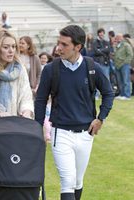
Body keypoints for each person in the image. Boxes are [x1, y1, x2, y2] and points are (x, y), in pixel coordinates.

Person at [35, 25, 114, 200]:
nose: (58, 48)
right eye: (58, 43)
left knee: (78, 181)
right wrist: (37, 126)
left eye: (64, 44)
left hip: (86, 133)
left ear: (78, 47)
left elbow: (108, 93)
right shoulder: (50, 69)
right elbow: (40, 100)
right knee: (68, 181)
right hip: (60, 133)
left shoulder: (92, 67)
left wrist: (100, 119)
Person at [114, 33, 133, 100]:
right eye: (117, 37)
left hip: (124, 65)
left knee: (126, 80)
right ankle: (122, 94)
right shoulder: (117, 46)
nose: (118, 38)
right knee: (120, 81)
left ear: (122, 38)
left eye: (119, 37)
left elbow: (130, 55)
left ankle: (127, 95)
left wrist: (125, 63)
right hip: (117, 65)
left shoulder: (126, 45)